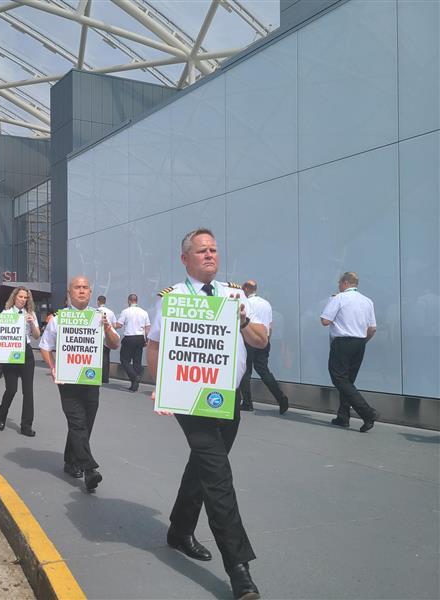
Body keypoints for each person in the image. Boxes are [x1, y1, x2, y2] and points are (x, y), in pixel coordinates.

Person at [146, 228, 268, 600]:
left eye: (214, 249)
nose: (210, 255)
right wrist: (161, 388)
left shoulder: (234, 296)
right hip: (191, 399)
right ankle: (239, 570)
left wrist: (245, 321)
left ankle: (179, 530)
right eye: (202, 251)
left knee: (202, 467)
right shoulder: (173, 299)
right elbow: (154, 346)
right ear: (185, 259)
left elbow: (262, 341)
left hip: (227, 398)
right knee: (218, 477)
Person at [39, 276, 120, 492]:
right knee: (77, 422)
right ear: (69, 292)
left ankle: (70, 461)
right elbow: (45, 346)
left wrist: (108, 329)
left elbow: (114, 344)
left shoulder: (99, 317)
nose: (82, 291)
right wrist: (53, 367)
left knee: (86, 423)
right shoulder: (59, 318)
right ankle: (89, 469)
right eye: (77, 287)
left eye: (85, 288)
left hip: (90, 379)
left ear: (91, 293)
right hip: (67, 380)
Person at [320, 271, 379, 432]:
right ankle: (343, 416)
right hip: (360, 342)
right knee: (348, 381)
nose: (338, 285)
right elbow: (372, 329)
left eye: (339, 282)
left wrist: (332, 300)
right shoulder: (367, 301)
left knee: (339, 378)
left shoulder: (339, 298)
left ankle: (367, 412)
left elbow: (325, 321)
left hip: (343, 342)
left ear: (345, 283)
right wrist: (362, 341)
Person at [238, 280, 289, 414]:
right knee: (264, 371)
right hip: (263, 340)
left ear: (247, 289)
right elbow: (270, 325)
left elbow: (243, 323)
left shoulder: (246, 303)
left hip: (248, 340)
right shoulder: (266, 304)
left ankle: (247, 403)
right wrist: (265, 341)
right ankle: (281, 397)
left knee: (245, 371)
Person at [0, 287, 42, 436]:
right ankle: (2, 414)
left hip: (26, 352)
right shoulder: (6, 313)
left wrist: (31, 323)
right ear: (14, 297)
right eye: (20, 296)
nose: (23, 299)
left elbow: (36, 336)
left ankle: (26, 425)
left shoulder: (31, 314)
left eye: (25, 297)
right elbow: (0, 336)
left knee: (28, 392)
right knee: (11, 389)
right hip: (10, 354)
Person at [115, 294, 150, 392]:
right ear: (136, 300)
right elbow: (147, 328)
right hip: (140, 338)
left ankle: (134, 377)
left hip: (129, 338)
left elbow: (119, 325)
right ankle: (134, 385)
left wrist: (109, 325)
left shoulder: (125, 311)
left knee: (124, 359)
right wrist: (146, 340)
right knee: (137, 361)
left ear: (129, 301)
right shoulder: (144, 312)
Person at [96, 295, 117, 383]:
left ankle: (96, 376)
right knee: (106, 357)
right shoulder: (111, 312)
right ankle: (105, 378)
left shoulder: (95, 311)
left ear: (98, 301)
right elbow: (115, 325)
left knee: (96, 358)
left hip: (97, 337)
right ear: (105, 301)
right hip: (107, 336)